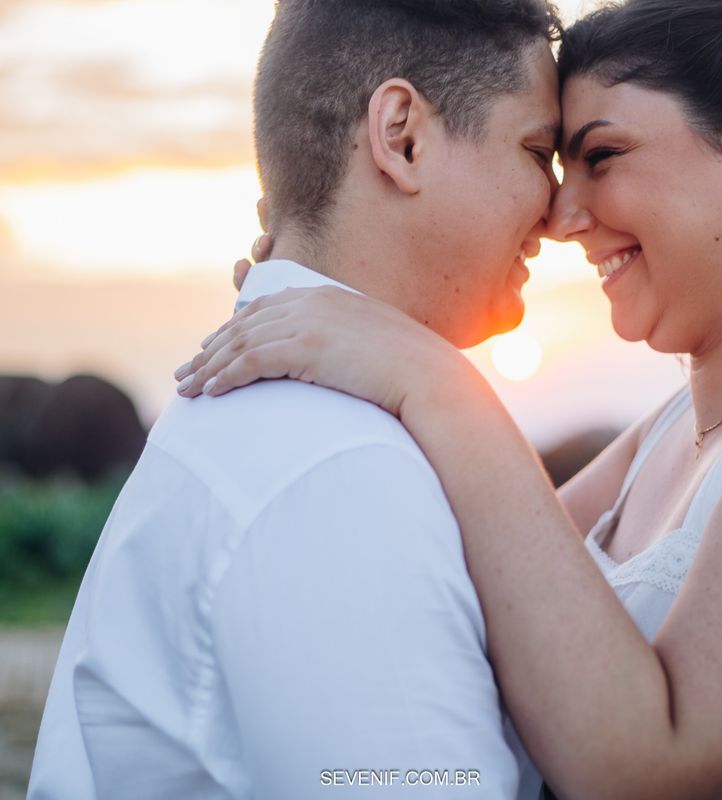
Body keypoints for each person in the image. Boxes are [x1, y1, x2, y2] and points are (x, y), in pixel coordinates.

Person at [177, 0, 722, 796]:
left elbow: (652, 770)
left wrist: (431, 373)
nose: (563, 215)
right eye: (550, 160)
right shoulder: (670, 432)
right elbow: (465, 576)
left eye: (600, 155)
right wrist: (323, 292)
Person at [28, 1, 563, 798]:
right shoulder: (338, 471)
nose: (557, 210)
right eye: (537, 150)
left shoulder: (284, 424)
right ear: (402, 136)